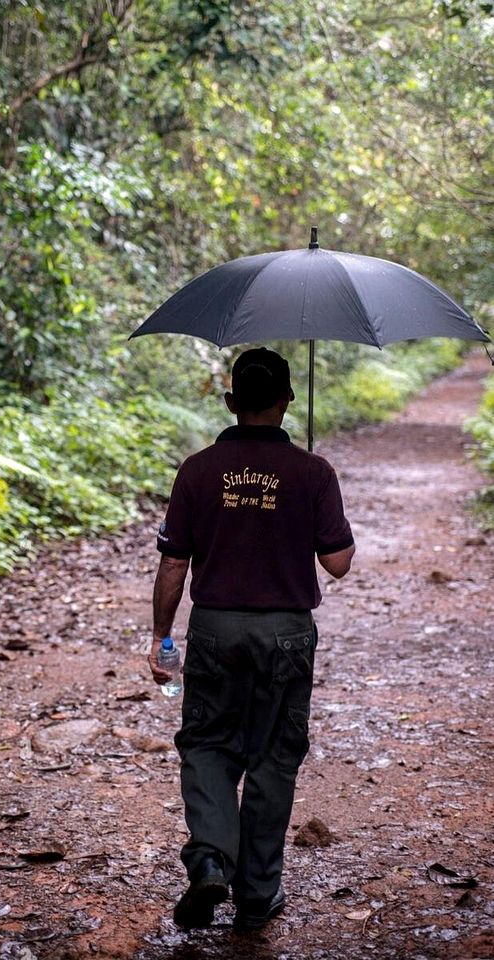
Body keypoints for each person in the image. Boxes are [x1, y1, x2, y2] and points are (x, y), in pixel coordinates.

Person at [147, 347, 355, 933]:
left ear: (232, 401)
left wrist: (163, 636)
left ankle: (212, 855)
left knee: (209, 744)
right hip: (286, 633)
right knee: (273, 758)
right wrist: (312, 502)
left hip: (214, 628)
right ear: (287, 400)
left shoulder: (197, 469)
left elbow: (172, 566)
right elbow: (337, 562)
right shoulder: (313, 472)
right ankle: (259, 894)